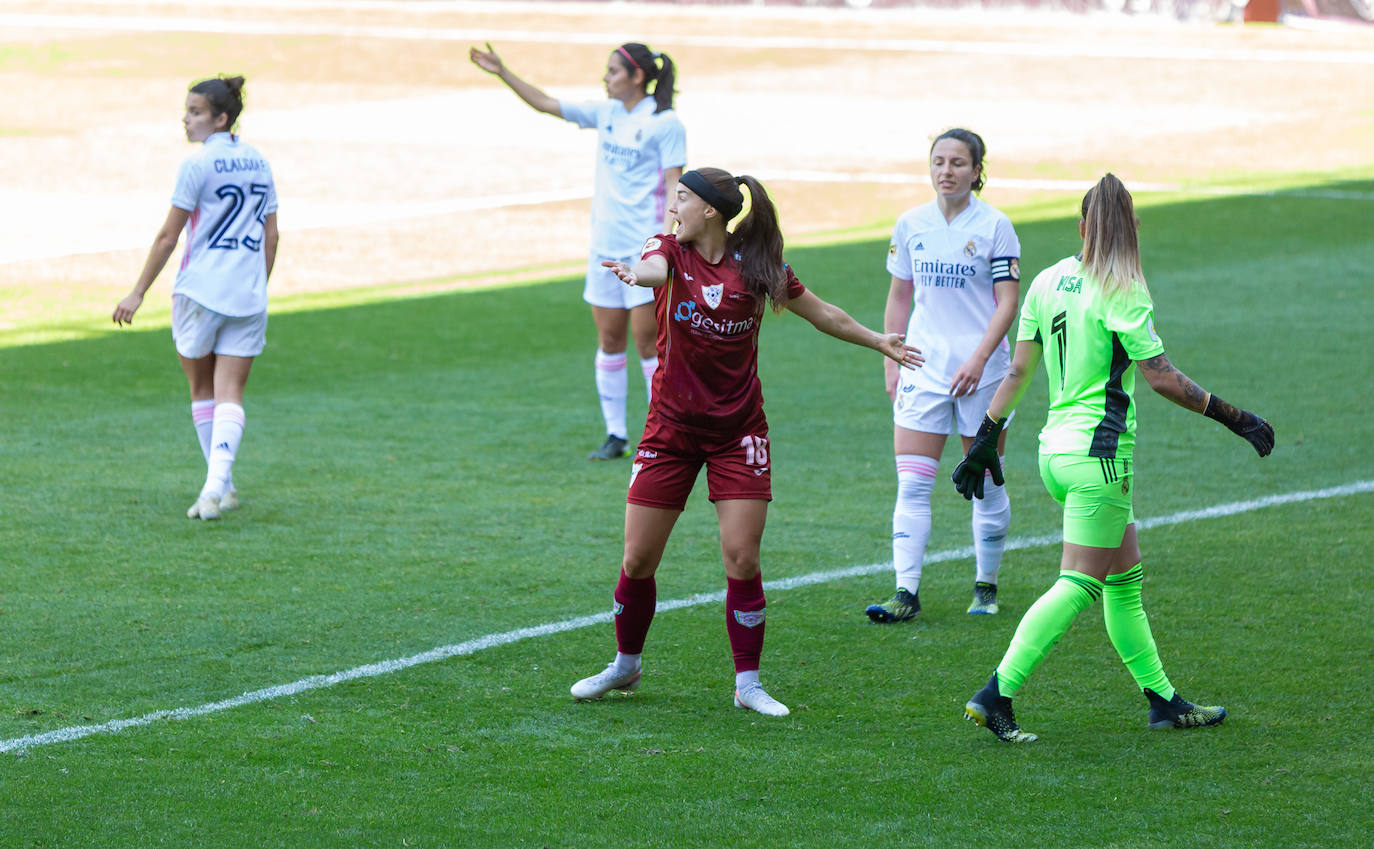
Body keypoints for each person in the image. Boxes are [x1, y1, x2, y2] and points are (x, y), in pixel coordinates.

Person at [570, 168, 924, 715]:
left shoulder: (757, 267)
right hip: (669, 429)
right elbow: (654, 267)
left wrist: (879, 341)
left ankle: (748, 683)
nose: (672, 208)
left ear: (710, 210)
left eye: (681, 199)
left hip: (738, 433)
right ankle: (626, 663)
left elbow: (821, 313)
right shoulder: (668, 248)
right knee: (638, 558)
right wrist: (637, 278)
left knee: (741, 557)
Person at [953, 174, 1274, 742]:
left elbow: (1019, 370)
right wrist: (1236, 417)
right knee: (1079, 583)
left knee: (1125, 578)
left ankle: (1163, 700)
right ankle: (996, 692)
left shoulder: (1049, 280)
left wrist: (985, 437)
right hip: (1100, 460)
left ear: (1082, 226)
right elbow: (1161, 378)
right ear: (1133, 230)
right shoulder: (1123, 287)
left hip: (1055, 453)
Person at [469, 41, 686, 460]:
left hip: (642, 252)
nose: (604, 78)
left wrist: (663, 246)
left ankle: (660, 432)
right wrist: (503, 72)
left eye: (612, 72)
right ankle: (616, 435)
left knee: (646, 344)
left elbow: (677, 184)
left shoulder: (665, 123)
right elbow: (547, 104)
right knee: (609, 338)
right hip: (603, 248)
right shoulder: (605, 113)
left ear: (636, 76)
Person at [865, 128, 1021, 624]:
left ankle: (986, 585)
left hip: (985, 373)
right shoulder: (911, 224)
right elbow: (899, 295)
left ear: (977, 171)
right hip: (922, 369)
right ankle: (905, 594)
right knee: (911, 486)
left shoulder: (997, 226)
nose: (946, 170)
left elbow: (1008, 304)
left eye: (958, 162)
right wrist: (891, 356)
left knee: (986, 483)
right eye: (939, 161)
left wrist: (978, 359)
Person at [113, 75, 279, 521]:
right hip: (247, 294)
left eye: (195, 112)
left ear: (220, 118)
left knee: (202, 388)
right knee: (232, 392)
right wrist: (257, 283)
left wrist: (137, 291)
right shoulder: (259, 162)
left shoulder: (196, 166)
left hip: (200, 291)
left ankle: (215, 488)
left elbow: (169, 236)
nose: (185, 120)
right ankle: (220, 486)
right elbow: (271, 232)